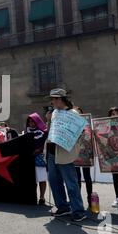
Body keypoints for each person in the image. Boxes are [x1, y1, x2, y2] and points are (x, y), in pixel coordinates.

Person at [45, 88, 87, 222]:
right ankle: (63, 207)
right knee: (54, 182)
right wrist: (48, 120)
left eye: (54, 99)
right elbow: (51, 131)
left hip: (64, 153)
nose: (52, 101)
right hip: (52, 153)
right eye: (52, 99)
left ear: (60, 99)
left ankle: (78, 210)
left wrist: (71, 144)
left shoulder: (73, 113)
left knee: (71, 183)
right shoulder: (55, 113)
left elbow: (79, 132)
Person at [73, 106, 94, 208]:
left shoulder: (87, 127)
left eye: (79, 113)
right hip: (75, 156)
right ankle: (78, 201)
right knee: (77, 179)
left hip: (85, 155)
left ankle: (90, 200)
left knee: (87, 178)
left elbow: (88, 138)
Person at [26, 113, 48, 205]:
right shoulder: (26, 132)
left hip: (40, 158)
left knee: (42, 178)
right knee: (32, 179)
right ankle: (33, 196)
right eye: (30, 121)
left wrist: (40, 149)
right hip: (29, 159)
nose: (32, 123)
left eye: (33, 121)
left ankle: (42, 197)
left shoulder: (44, 132)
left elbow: (46, 143)